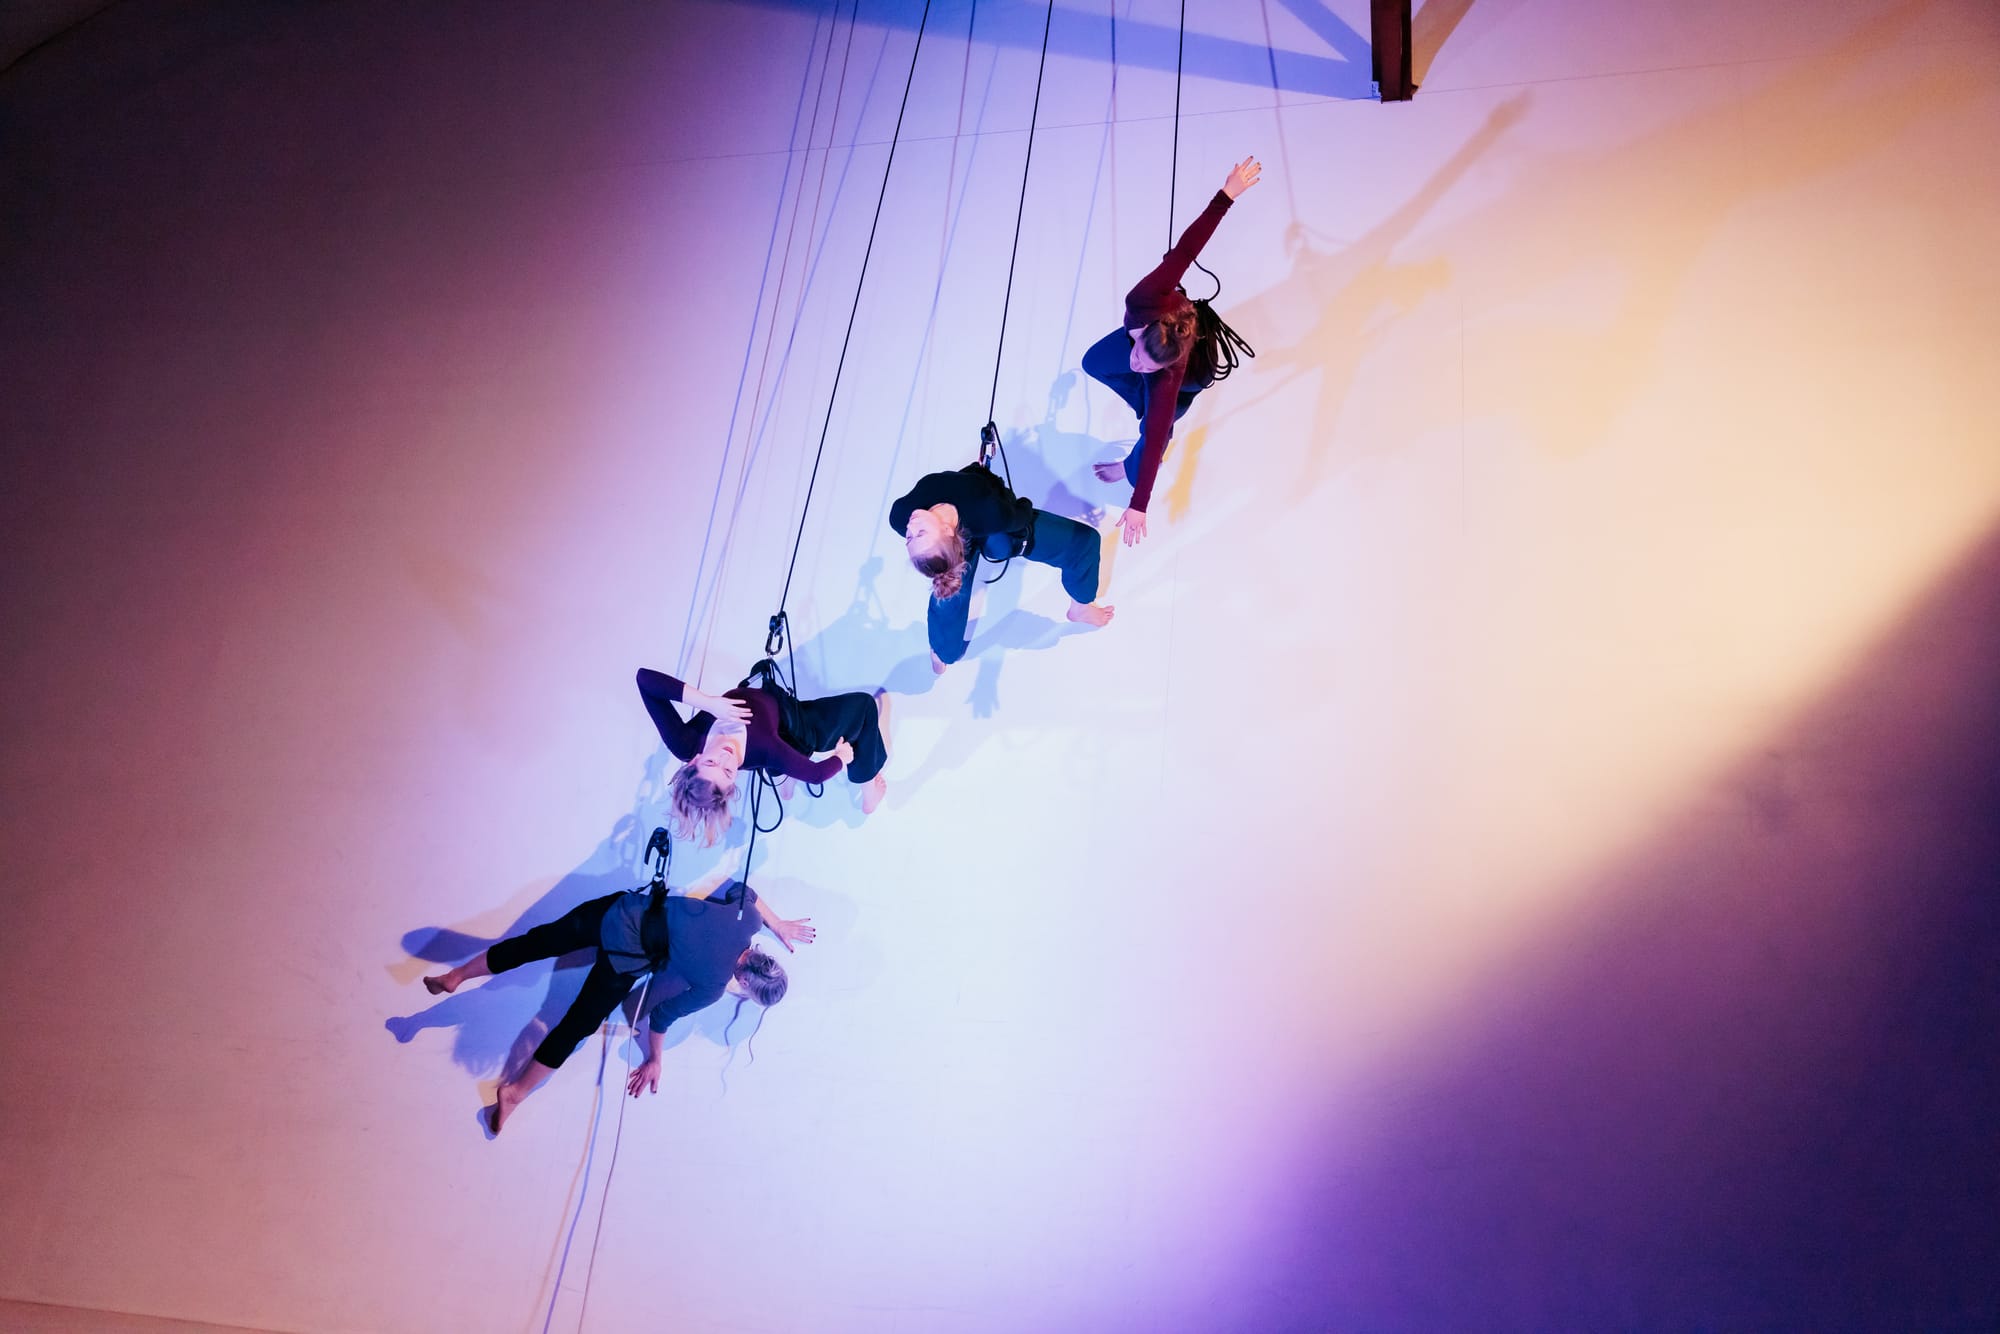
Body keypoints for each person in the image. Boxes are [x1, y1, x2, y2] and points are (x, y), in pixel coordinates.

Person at [422, 878, 813, 1134]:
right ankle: (515, 1093)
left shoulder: (748, 920)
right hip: (626, 958)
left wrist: (776, 923)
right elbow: (660, 1016)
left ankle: (457, 975)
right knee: (577, 1025)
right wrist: (655, 1059)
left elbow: (742, 888)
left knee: (537, 942)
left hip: (622, 912)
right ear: (745, 984)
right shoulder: (711, 987)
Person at [1083, 155, 1262, 546]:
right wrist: (1227, 195)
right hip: (1160, 340)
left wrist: (1139, 503)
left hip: (1192, 374)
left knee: (1155, 431)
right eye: (1137, 357)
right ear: (1142, 332)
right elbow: (1185, 249)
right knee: (1093, 362)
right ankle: (1143, 403)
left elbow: (1156, 433)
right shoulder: (1145, 299)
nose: (1137, 366)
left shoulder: (1171, 373)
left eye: (1147, 368)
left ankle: (1130, 459)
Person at [891, 452, 1113, 674]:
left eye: (912, 536)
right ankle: (943, 649)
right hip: (986, 517)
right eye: (916, 534)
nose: (911, 526)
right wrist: (1023, 505)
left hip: (983, 514)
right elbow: (1020, 513)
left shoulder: (901, 516)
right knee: (950, 580)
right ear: (948, 532)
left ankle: (943, 650)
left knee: (991, 552)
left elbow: (1012, 517)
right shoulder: (987, 512)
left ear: (949, 530)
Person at [637, 663, 893, 841]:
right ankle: (868, 794)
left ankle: (787, 778)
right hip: (796, 724)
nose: (726, 756)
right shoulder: (764, 748)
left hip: (773, 708)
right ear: (732, 782)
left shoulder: (685, 743)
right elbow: (817, 775)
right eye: (728, 771)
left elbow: (645, 680)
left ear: (694, 761)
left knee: (785, 758)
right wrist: (840, 758)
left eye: (712, 762)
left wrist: (709, 703)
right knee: (865, 707)